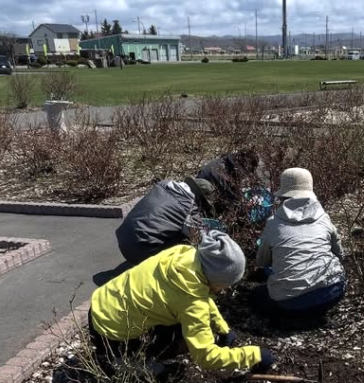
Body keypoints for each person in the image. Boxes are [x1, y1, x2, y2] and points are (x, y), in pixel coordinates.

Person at [89, 230, 275, 376]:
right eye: (225, 285)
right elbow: (205, 357)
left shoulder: (183, 255)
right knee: (164, 369)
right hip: (112, 334)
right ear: (216, 279)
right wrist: (254, 355)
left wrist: (222, 327)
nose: (224, 289)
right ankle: (121, 361)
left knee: (180, 325)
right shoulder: (192, 303)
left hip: (101, 303)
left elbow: (201, 293)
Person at [254, 168, 346, 318]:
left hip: (291, 303)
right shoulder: (324, 218)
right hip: (333, 291)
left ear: (283, 196)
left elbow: (262, 261)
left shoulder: (273, 224)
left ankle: (293, 318)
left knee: (257, 295)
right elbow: (340, 254)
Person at [116, 177, 218, 266]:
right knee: (186, 239)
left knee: (170, 223)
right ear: (200, 198)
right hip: (141, 252)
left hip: (123, 237)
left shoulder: (164, 184)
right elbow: (197, 237)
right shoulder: (190, 207)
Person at [196, 149, 269, 220]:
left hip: (196, 188)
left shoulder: (222, 161)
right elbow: (235, 204)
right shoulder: (226, 179)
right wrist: (245, 204)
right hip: (202, 205)